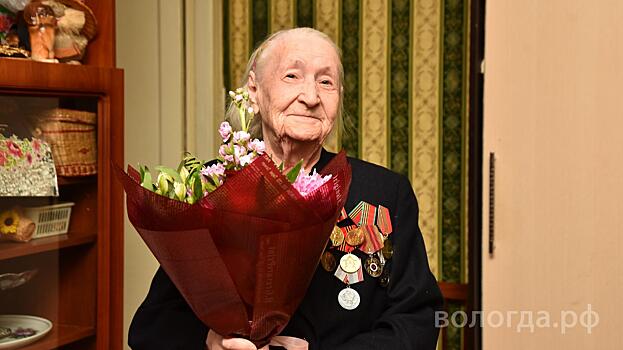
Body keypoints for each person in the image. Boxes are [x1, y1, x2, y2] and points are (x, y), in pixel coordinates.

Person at [129, 27, 443, 350]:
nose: (311, 97)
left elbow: (418, 320)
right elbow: (150, 329)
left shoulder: (383, 194)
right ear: (254, 89)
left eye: (326, 82)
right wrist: (210, 342)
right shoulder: (212, 187)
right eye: (292, 76)